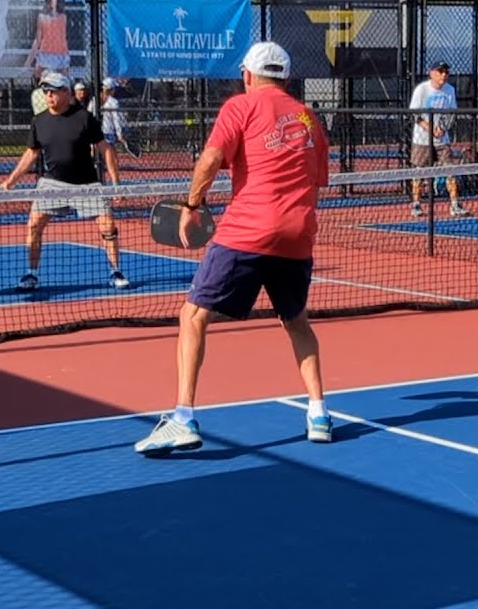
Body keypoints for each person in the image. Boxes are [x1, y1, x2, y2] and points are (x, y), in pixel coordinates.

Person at [134, 41, 332, 456]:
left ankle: (183, 419)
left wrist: (191, 207)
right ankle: (318, 414)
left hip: (248, 231)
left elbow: (209, 160)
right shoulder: (309, 117)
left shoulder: (239, 107)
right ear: (287, 78)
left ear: (247, 76)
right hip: (298, 234)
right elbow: (315, 183)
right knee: (296, 321)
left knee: (193, 315)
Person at [1, 71, 130, 292]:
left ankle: (115, 271)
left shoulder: (84, 118)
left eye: (53, 91)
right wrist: (9, 182)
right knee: (33, 225)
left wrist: (116, 184)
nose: (49, 95)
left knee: (108, 226)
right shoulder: (39, 121)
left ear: (66, 92)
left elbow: (106, 150)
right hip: (52, 184)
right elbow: (31, 154)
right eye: (46, 92)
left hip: (87, 184)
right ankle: (32, 274)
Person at [408, 61, 467, 217]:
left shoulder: (450, 90)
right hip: (422, 140)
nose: (444, 75)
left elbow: (451, 113)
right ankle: (416, 205)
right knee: (419, 173)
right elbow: (415, 115)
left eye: (446, 72)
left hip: (442, 140)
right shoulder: (422, 90)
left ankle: (455, 205)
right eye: (440, 72)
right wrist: (430, 128)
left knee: (450, 171)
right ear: (431, 73)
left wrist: (442, 128)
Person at [24, 0, 69, 80]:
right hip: (45, 53)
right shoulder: (42, 17)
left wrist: (66, 54)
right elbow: (38, 38)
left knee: (63, 81)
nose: (53, 0)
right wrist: (29, 60)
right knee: (39, 77)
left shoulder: (63, 17)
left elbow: (63, 37)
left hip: (60, 54)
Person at [100, 77, 140, 158]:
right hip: (107, 131)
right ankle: (113, 165)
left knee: (101, 150)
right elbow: (116, 119)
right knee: (110, 151)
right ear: (111, 89)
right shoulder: (113, 102)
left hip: (102, 130)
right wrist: (119, 134)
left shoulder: (95, 100)